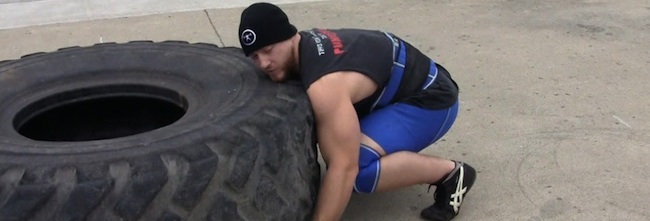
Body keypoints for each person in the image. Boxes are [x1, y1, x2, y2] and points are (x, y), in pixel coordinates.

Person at [237, 2, 476, 221]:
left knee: (359, 172)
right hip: (401, 82)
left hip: (431, 100)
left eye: (268, 49)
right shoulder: (306, 44)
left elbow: (344, 168)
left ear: (289, 36)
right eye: (255, 56)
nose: (264, 63)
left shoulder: (325, 83)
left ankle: (451, 174)